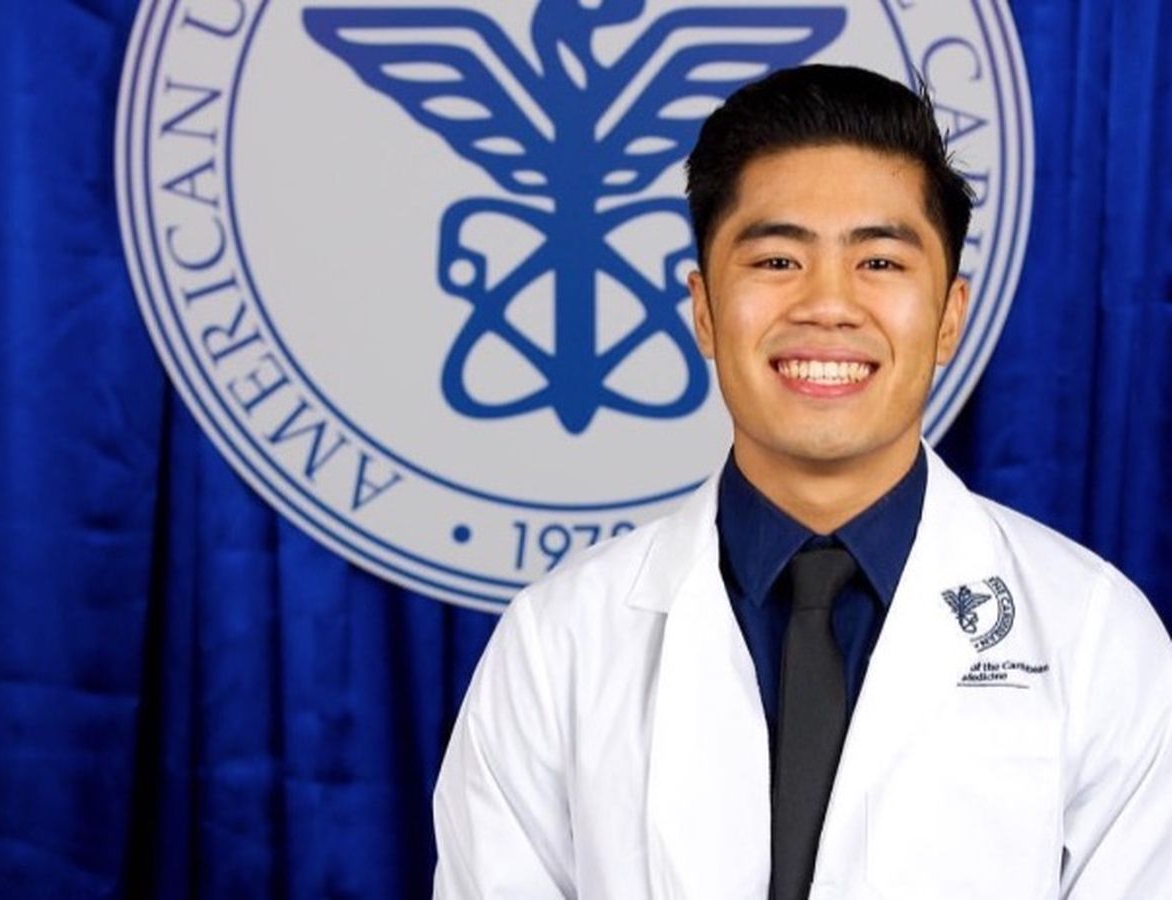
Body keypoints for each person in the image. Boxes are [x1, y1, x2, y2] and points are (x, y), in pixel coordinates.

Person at [431, 65, 1172, 899]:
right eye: (778, 259)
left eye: (880, 262)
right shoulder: (557, 644)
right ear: (705, 311)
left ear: (949, 317)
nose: (828, 305)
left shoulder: (1096, 638)